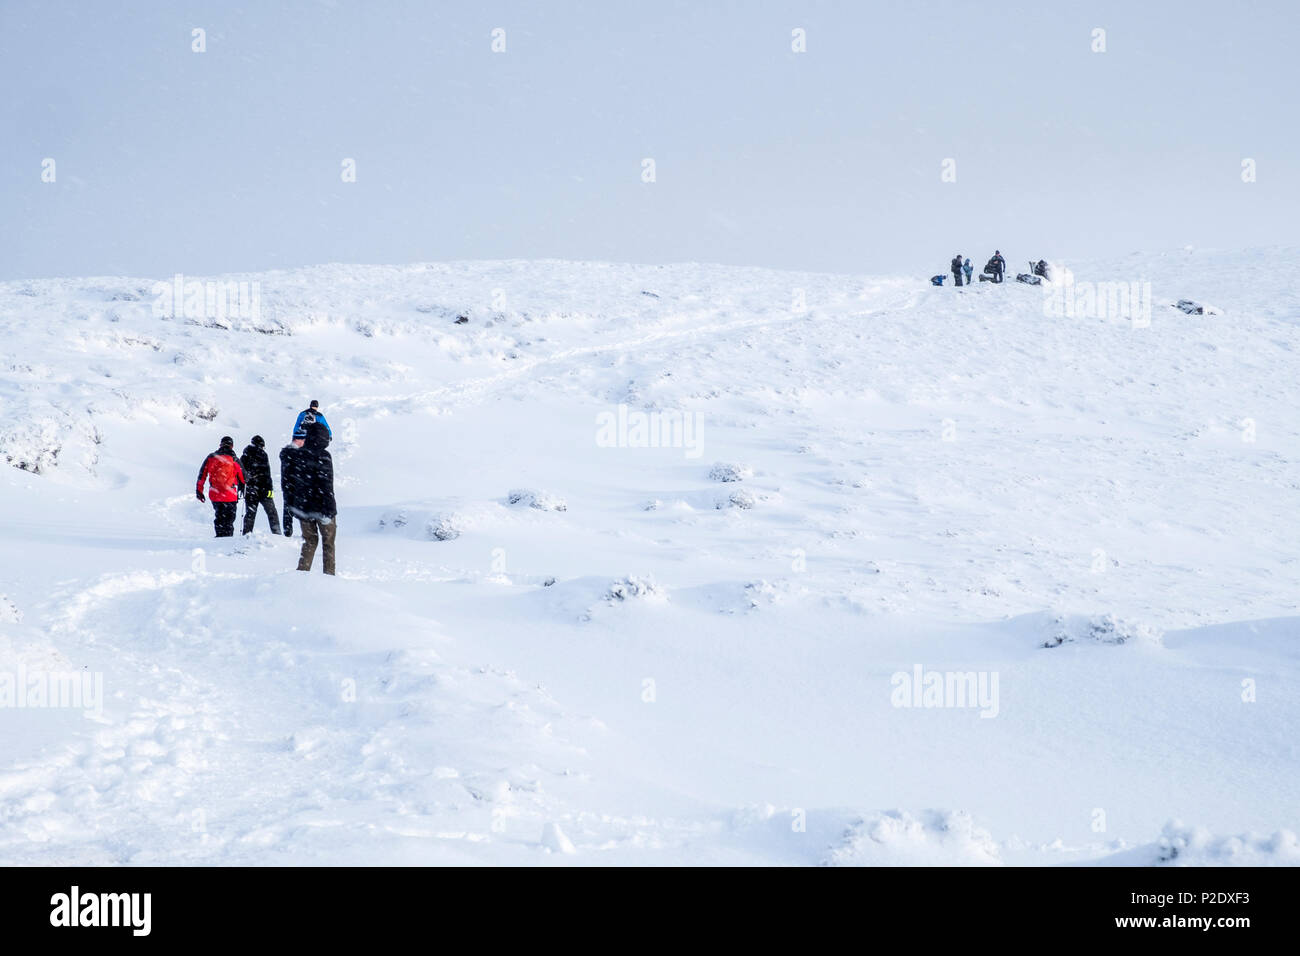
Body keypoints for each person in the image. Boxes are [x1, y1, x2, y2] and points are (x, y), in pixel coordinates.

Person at [288, 421, 337, 575]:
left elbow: (294, 482)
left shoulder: (299, 454)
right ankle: (329, 576)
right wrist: (330, 509)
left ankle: (302, 574)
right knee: (328, 543)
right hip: (323, 507)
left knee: (309, 541)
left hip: (304, 508)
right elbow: (327, 483)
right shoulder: (324, 456)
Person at [195, 436, 246, 537]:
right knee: (229, 520)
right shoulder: (234, 458)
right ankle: (227, 539)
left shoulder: (211, 457)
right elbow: (244, 477)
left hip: (215, 494)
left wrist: (199, 490)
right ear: (232, 446)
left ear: (220, 445)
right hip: (230, 494)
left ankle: (219, 537)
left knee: (219, 517)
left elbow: (202, 475)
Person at [239, 435, 280, 535]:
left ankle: (247, 534)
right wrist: (270, 490)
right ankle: (277, 533)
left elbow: (240, 473)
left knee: (250, 513)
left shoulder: (244, 455)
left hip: (250, 489)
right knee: (272, 512)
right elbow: (267, 474)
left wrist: (241, 487)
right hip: (263, 489)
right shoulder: (263, 454)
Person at [280, 430, 305, 536]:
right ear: (298, 440)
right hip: (296, 485)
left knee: (287, 509)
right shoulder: (296, 454)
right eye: (303, 440)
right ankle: (305, 533)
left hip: (287, 485)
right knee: (301, 509)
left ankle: (287, 532)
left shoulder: (286, 452)